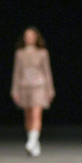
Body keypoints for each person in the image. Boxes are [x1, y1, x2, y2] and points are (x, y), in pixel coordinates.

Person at [11, 27, 55, 156]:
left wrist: (50, 90)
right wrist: (14, 91)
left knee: (36, 114)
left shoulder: (42, 53)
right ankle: (35, 144)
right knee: (28, 115)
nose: (29, 38)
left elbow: (47, 72)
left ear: (36, 38)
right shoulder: (20, 53)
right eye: (27, 36)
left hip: (39, 86)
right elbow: (17, 73)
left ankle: (31, 142)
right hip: (24, 86)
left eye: (32, 36)